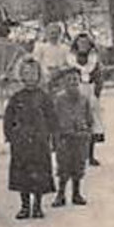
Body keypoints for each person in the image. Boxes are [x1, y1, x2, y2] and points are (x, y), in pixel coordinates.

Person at [2, 57, 56, 219]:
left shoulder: (44, 97)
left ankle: (37, 206)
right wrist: (10, 136)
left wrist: (53, 137)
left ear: (39, 75)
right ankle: (24, 206)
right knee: (22, 174)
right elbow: (8, 118)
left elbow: (52, 118)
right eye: (26, 73)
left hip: (39, 141)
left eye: (33, 73)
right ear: (21, 76)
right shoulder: (16, 97)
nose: (30, 77)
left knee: (39, 173)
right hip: (21, 142)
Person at [51, 69, 92, 207]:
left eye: (75, 80)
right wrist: (55, 140)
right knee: (63, 166)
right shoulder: (59, 99)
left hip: (80, 137)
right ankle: (61, 194)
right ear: (64, 83)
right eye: (69, 80)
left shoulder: (84, 99)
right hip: (64, 138)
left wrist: (87, 132)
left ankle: (76, 193)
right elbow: (54, 120)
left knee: (78, 165)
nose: (73, 83)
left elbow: (89, 118)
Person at [66, 31, 106, 166]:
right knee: (75, 122)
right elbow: (68, 76)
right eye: (80, 42)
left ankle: (90, 155)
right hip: (76, 91)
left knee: (91, 122)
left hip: (90, 90)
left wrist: (97, 92)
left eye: (86, 43)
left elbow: (99, 77)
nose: (83, 45)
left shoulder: (94, 59)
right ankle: (76, 155)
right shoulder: (71, 59)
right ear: (76, 44)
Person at [34, 20, 72, 89]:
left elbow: (70, 63)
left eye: (56, 33)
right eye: (52, 33)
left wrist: (60, 70)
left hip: (61, 75)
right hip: (45, 76)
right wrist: (47, 73)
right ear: (47, 34)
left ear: (60, 34)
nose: (54, 36)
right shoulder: (41, 47)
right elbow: (37, 62)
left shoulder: (65, 48)